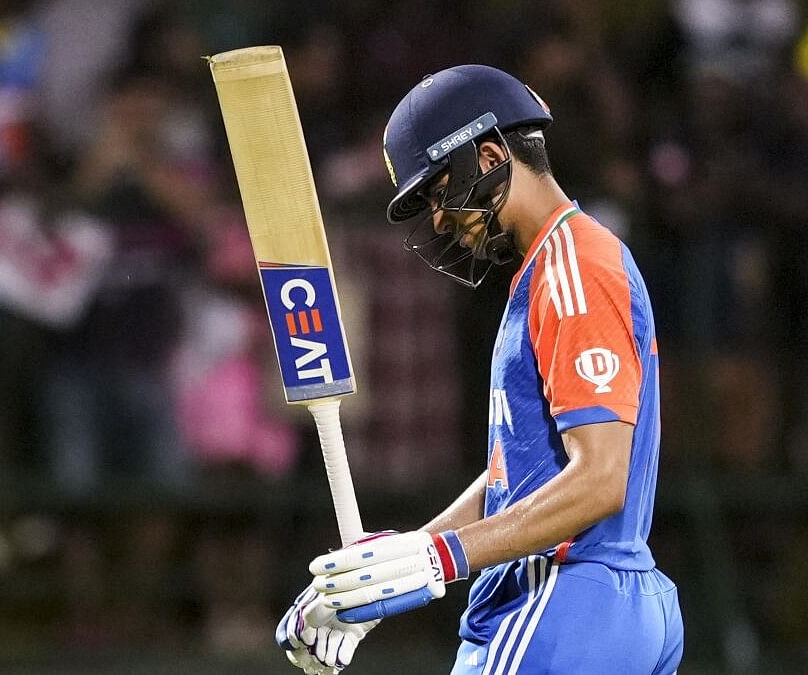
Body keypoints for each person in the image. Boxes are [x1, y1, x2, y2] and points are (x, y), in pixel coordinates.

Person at [275, 65, 684, 674]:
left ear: (490, 155)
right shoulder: (555, 267)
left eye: (440, 190)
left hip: (561, 596)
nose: (439, 218)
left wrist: (438, 559)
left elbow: (601, 478)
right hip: (605, 606)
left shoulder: (572, 266)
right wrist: (403, 561)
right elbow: (515, 477)